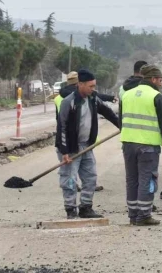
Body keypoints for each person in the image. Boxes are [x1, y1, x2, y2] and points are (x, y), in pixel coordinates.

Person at [56, 69, 121, 219]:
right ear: (80, 84)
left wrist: (120, 125)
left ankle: (86, 207)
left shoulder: (93, 99)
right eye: (90, 86)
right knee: (70, 180)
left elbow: (108, 112)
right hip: (71, 148)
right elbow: (62, 127)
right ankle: (70, 209)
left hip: (87, 146)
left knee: (91, 177)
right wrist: (64, 151)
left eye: (94, 86)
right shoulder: (69, 102)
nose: (93, 89)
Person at [121, 64, 162, 226]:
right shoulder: (156, 96)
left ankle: (133, 214)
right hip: (148, 146)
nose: (161, 83)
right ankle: (144, 215)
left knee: (132, 179)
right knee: (147, 178)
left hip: (128, 143)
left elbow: (120, 120)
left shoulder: (127, 95)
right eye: (160, 80)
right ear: (152, 79)